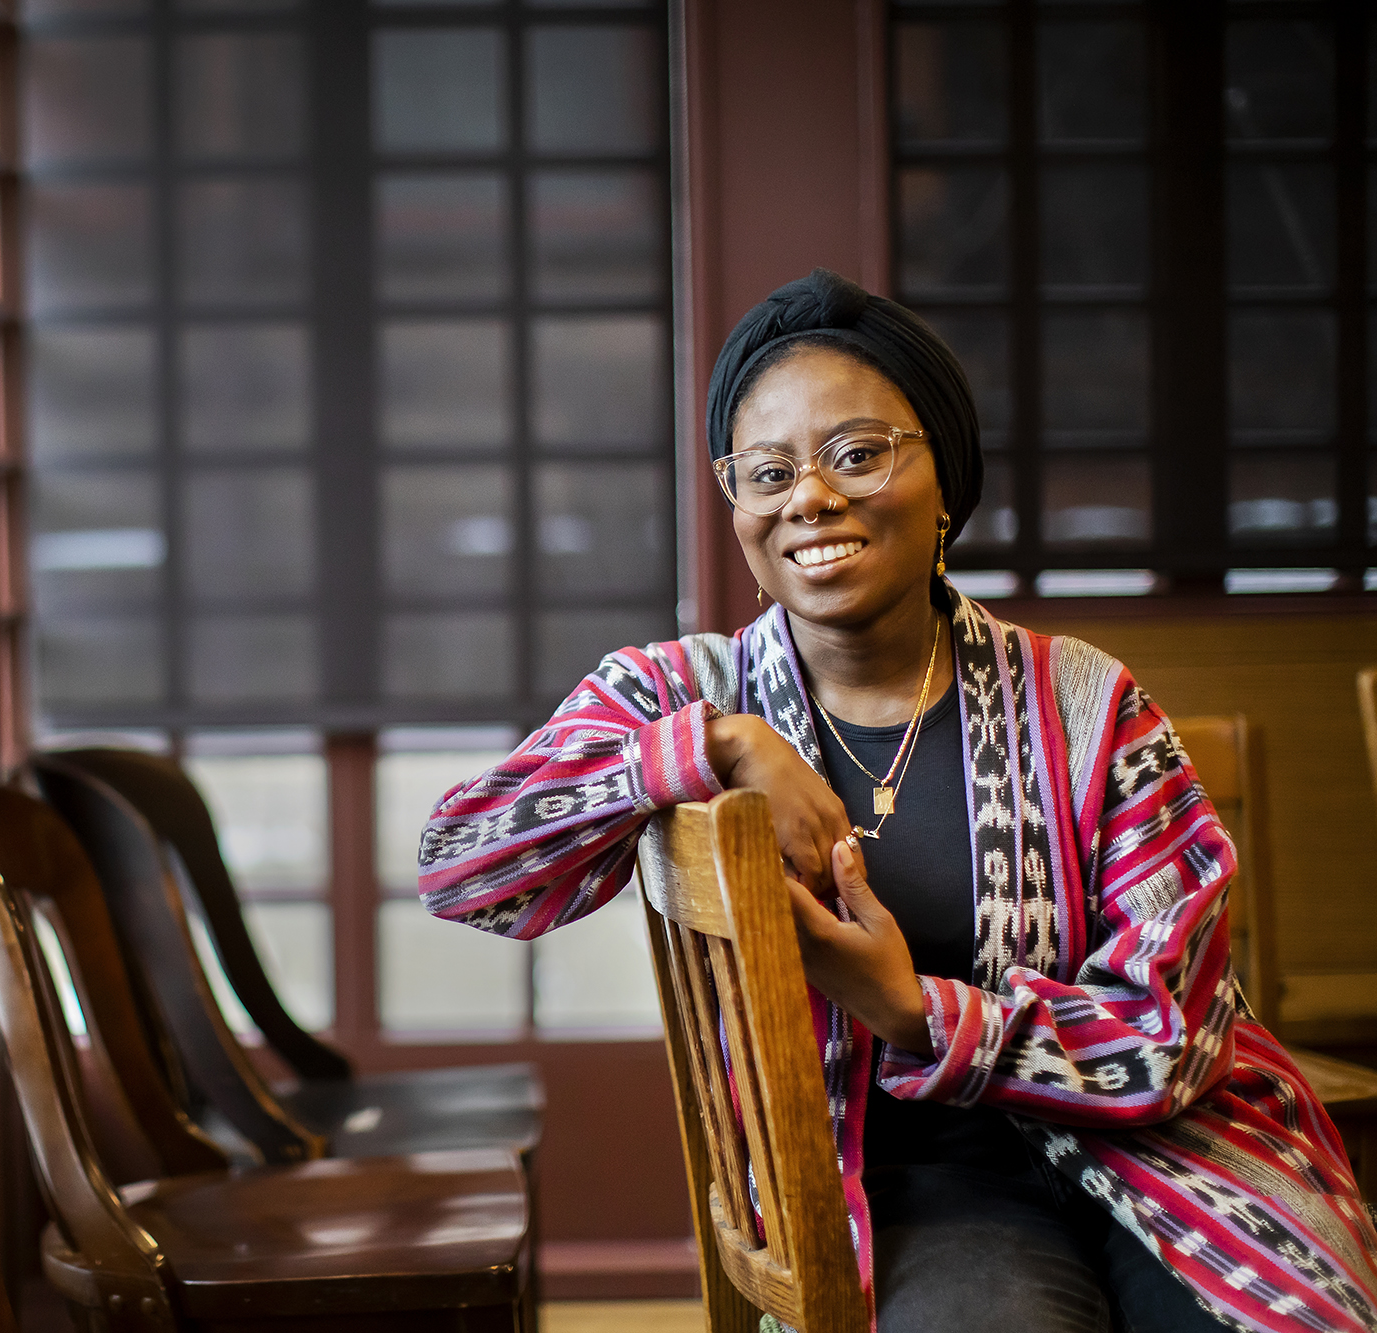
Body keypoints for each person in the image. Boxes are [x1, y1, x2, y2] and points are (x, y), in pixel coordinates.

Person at [416, 268, 1377, 1332]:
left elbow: (1172, 1034)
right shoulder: (682, 694)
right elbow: (461, 865)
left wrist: (913, 1009)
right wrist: (712, 747)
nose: (808, 498)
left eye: (857, 453)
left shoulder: (1085, 702)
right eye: (765, 470)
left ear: (946, 482)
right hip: (901, 1187)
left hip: (1159, 1154)